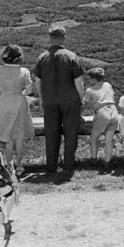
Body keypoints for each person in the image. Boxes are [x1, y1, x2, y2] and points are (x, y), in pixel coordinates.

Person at [34, 25, 85, 178]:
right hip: (70, 100)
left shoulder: (42, 57)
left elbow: (37, 82)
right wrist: (81, 99)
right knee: (70, 133)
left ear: (50, 38)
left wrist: (42, 99)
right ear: (64, 38)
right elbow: (79, 82)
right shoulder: (71, 56)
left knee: (51, 133)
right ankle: (68, 166)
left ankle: (51, 167)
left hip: (49, 101)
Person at [0, 44, 34, 175]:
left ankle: (9, 166)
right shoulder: (24, 71)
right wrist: (20, 92)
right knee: (19, 136)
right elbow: (29, 89)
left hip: (4, 101)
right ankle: (20, 166)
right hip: (19, 101)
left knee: (7, 136)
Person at [83, 67, 119, 172]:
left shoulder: (90, 90)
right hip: (114, 111)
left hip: (102, 113)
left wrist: (79, 115)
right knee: (108, 140)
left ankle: (94, 161)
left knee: (94, 138)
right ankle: (107, 164)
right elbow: (113, 98)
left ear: (94, 79)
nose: (88, 81)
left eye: (89, 79)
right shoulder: (108, 85)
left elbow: (85, 105)